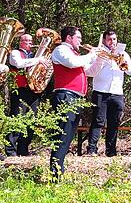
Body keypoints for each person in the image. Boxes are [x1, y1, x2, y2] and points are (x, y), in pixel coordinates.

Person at [49, 26, 100, 178]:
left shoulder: (76, 54)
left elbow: (90, 71)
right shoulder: (61, 50)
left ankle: (58, 171)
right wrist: (91, 55)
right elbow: (72, 63)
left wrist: (100, 61)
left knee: (68, 136)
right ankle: (55, 173)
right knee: (62, 135)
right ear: (69, 38)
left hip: (75, 98)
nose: (81, 41)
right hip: (66, 96)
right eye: (78, 37)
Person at [85, 29, 131, 157]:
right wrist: (101, 59)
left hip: (117, 93)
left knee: (114, 122)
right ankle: (91, 149)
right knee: (98, 121)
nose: (112, 42)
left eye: (114, 39)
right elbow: (89, 72)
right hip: (101, 92)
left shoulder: (123, 54)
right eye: (109, 39)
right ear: (104, 41)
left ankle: (111, 151)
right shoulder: (98, 53)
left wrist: (121, 61)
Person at [5, 33, 52, 156]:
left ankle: (23, 149)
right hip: (20, 90)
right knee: (17, 119)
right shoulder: (15, 53)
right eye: (27, 41)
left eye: (31, 41)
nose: (30, 43)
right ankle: (10, 150)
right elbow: (19, 64)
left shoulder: (34, 55)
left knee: (31, 121)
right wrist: (38, 60)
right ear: (21, 42)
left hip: (34, 91)